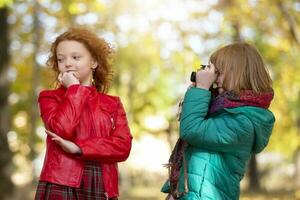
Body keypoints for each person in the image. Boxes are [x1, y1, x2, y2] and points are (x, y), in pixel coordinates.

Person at [161, 42, 275, 200]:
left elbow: (191, 130)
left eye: (219, 72)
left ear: (238, 73)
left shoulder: (243, 123)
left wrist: (201, 90)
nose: (215, 77)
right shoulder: (218, 109)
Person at [34, 27, 132, 200]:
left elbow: (122, 148)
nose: (68, 63)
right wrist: (74, 89)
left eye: (76, 57)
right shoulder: (49, 97)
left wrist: (79, 147)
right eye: (61, 59)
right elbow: (62, 130)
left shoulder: (112, 103)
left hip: (102, 184)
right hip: (60, 182)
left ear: (93, 62)